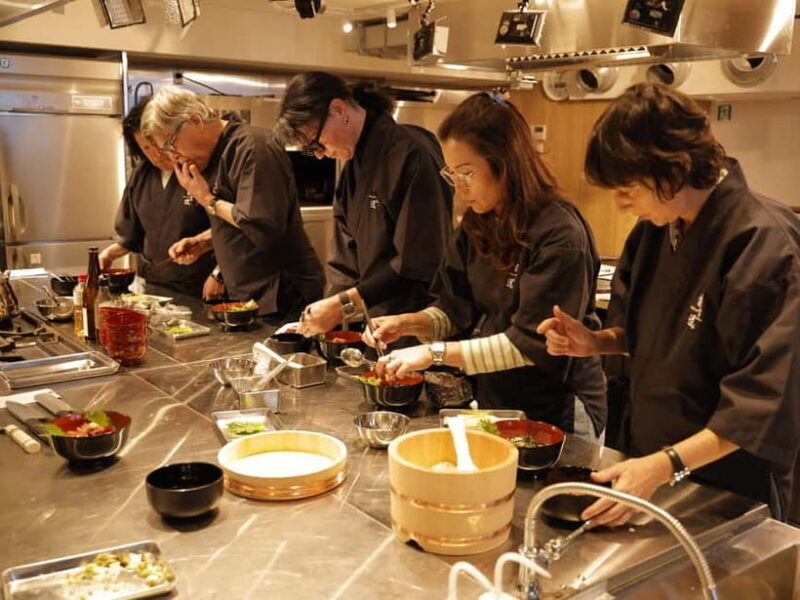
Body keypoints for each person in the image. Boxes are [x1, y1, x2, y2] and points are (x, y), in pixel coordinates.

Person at [537, 82, 800, 525]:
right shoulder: (657, 230)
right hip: (647, 464)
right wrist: (594, 342)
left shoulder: (765, 245)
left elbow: (762, 403)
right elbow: (646, 335)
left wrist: (666, 465)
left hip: (729, 485)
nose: (622, 205)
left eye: (627, 189)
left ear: (677, 167)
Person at [367, 92, 606, 441]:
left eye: (467, 174)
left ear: (504, 163)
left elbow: (527, 345)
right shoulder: (478, 223)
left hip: (558, 407)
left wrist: (432, 354)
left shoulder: (559, 234)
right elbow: (456, 309)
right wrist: (409, 323)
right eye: (453, 175)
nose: (460, 189)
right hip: (499, 398)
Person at [275, 72, 453, 333]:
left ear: (338, 110)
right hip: (374, 322)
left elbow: (418, 261)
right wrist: (325, 315)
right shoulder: (351, 168)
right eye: (312, 150)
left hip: (416, 323)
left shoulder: (412, 151)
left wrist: (343, 304)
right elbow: (343, 262)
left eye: (317, 143)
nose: (321, 156)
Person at [141, 86, 325, 319]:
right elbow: (239, 219)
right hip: (248, 295)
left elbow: (260, 223)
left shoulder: (253, 146)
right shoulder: (213, 156)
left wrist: (207, 199)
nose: (173, 156)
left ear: (195, 121)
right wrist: (204, 241)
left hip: (283, 293)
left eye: (170, 145)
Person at [99, 98, 218, 299]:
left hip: (201, 286)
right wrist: (109, 255)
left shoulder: (203, 169)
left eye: (157, 145)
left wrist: (219, 273)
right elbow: (131, 233)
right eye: (146, 148)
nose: (156, 154)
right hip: (153, 288)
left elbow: (230, 230)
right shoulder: (143, 174)